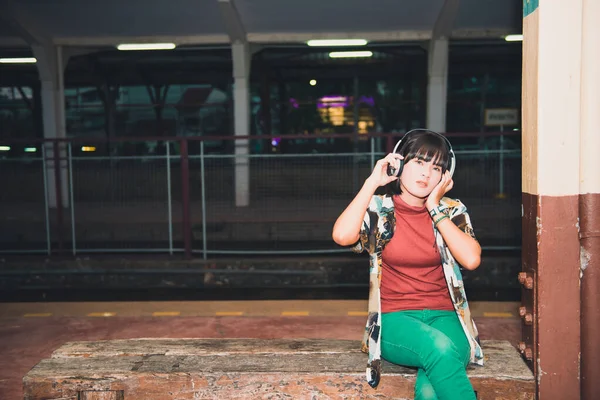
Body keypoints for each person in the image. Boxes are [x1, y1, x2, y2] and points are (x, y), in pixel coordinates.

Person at [332, 129, 484, 400]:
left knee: (428, 391)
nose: (426, 173)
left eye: (436, 167)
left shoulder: (452, 210)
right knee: (437, 348)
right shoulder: (380, 210)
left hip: (449, 319)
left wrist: (435, 209)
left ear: (445, 176)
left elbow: (471, 259)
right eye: (419, 162)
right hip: (395, 319)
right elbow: (342, 236)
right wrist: (371, 183)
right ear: (398, 164)